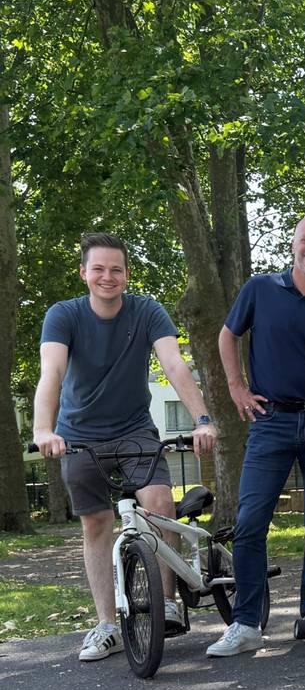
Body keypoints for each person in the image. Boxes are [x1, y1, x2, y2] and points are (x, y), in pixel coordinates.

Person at [33, 232, 218, 662]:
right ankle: (106, 626)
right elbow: (51, 374)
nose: (107, 277)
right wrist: (44, 429)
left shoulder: (146, 310)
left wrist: (203, 419)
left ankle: (168, 601)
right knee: (96, 525)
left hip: (135, 429)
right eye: (98, 269)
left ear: (126, 274)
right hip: (78, 434)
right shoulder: (64, 316)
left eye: (116, 269)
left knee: (158, 506)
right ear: (84, 273)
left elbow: (174, 363)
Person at [206, 215, 305, 657]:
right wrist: (237, 388)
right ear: (294, 245)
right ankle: (245, 624)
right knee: (250, 523)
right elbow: (226, 337)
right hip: (270, 421)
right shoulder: (260, 289)